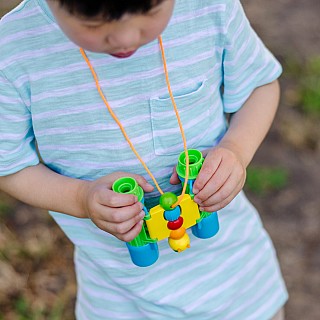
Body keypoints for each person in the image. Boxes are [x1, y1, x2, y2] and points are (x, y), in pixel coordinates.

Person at [0, 0, 288, 319]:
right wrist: (81, 198)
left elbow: (259, 86)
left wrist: (236, 149)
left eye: (150, 13)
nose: (126, 38)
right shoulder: (13, 49)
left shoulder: (209, 7)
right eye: (93, 25)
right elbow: (9, 166)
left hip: (240, 286)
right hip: (121, 299)